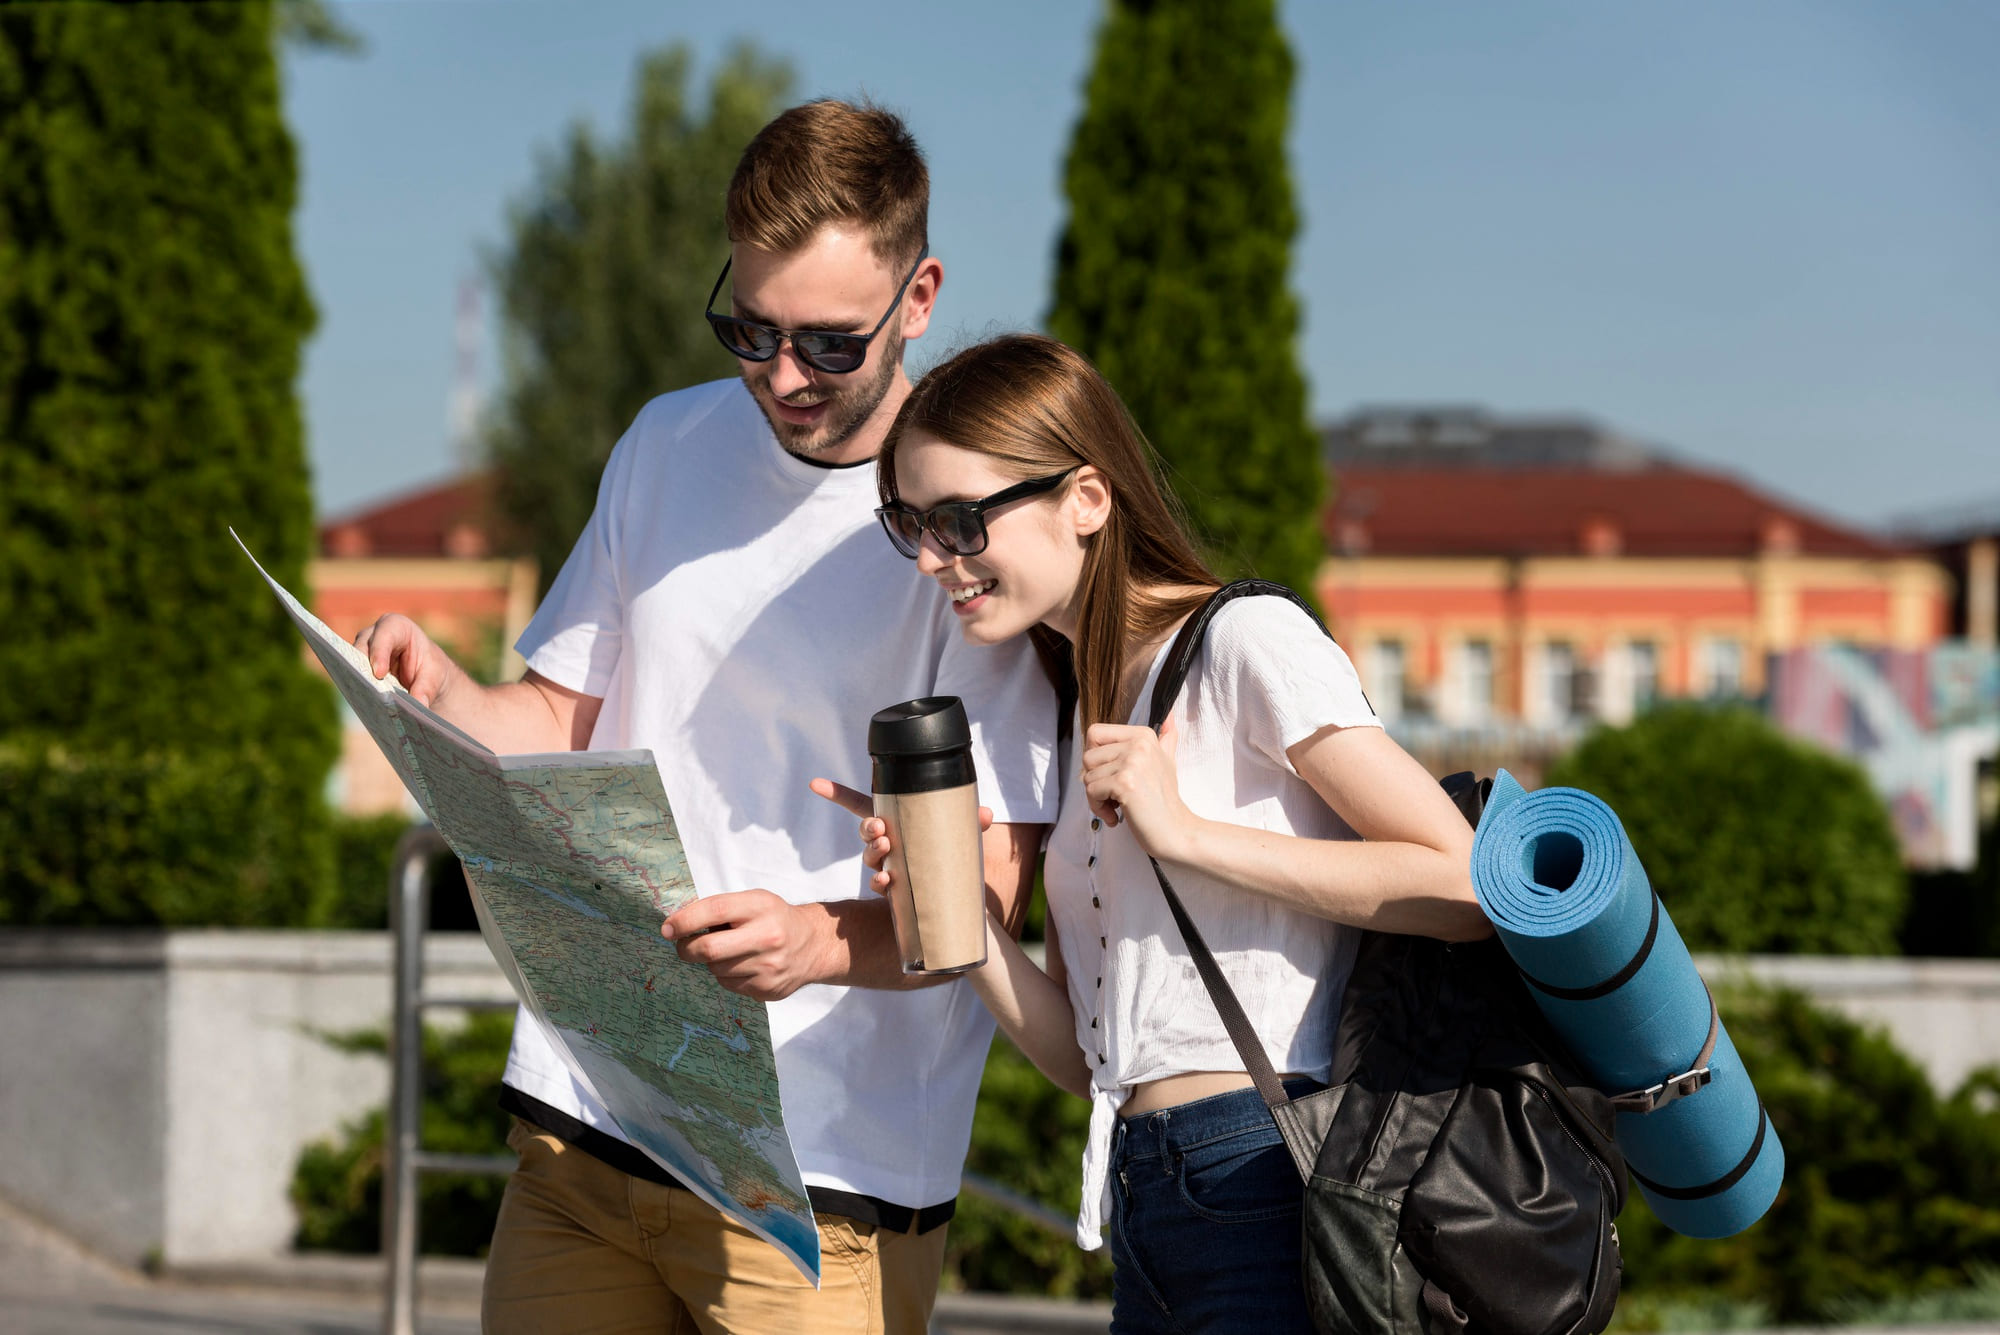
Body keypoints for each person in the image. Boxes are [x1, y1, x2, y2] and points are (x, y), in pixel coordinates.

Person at [355, 103, 1058, 1335]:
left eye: (829, 345)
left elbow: (991, 891)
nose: (782, 378)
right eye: (750, 329)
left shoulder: (976, 517)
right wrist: (441, 697)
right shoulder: (665, 442)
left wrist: (816, 941)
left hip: (820, 1183)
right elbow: (559, 723)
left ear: (920, 293)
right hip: (587, 1125)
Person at [842, 333, 1489, 1333]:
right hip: (1144, 1194)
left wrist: (1185, 834)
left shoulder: (1242, 642)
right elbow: (1082, 1061)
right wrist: (952, 915)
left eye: (962, 521)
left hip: (1265, 1178)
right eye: (911, 523)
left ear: (1086, 499)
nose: (933, 559)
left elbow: (1464, 890)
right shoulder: (1084, 703)